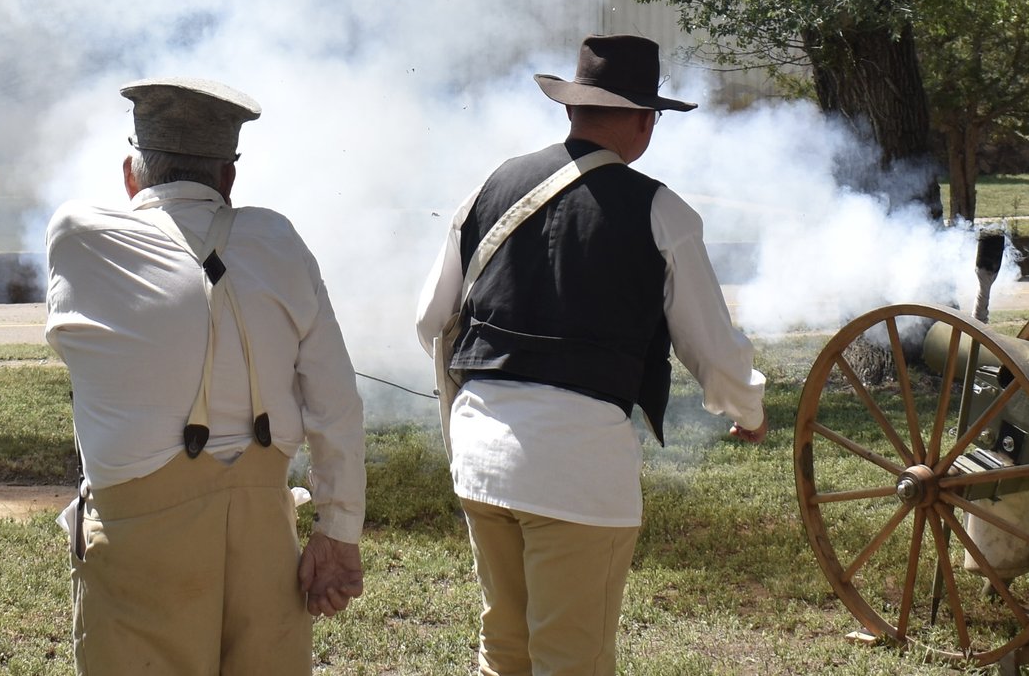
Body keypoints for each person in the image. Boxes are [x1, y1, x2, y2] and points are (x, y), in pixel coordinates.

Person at [416, 34, 767, 676]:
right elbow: (714, 351)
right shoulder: (662, 210)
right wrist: (746, 407)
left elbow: (430, 318)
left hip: (479, 457)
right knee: (571, 660)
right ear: (642, 120)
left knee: (505, 650)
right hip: (575, 470)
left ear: (573, 109)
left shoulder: (492, 186)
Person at [45, 76, 365, 676]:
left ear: (130, 174)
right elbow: (336, 402)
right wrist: (337, 531)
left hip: (141, 534)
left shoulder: (78, 234)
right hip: (266, 528)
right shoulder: (278, 239)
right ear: (228, 179)